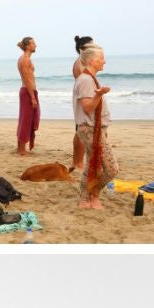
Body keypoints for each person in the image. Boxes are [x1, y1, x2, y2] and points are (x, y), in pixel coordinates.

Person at [73, 45, 118, 210]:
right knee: (112, 169)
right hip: (90, 129)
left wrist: (99, 94)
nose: (104, 61)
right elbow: (87, 107)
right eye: (102, 58)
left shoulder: (89, 78)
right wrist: (99, 94)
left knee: (93, 165)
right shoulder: (86, 80)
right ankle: (92, 195)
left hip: (94, 128)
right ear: (92, 61)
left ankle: (87, 199)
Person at [72, 36, 96, 171]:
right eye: (92, 45)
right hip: (83, 99)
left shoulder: (82, 62)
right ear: (83, 49)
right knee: (80, 131)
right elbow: (84, 84)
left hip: (83, 97)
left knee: (79, 131)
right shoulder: (79, 63)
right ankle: (78, 162)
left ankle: (77, 161)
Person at [16, 37, 40, 155]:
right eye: (33, 43)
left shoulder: (25, 59)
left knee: (26, 119)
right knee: (26, 120)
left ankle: (20, 148)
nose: (35, 45)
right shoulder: (25, 60)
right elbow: (27, 79)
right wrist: (32, 97)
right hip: (27, 92)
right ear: (27, 46)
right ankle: (21, 150)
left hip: (28, 91)